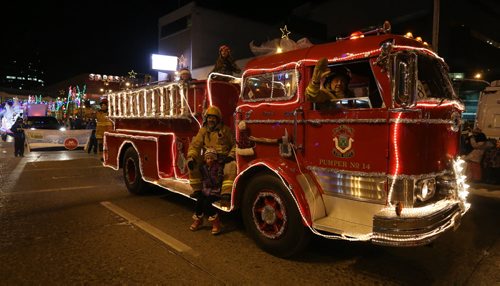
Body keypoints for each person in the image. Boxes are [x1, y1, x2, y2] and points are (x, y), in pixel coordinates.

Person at [187, 105, 236, 208]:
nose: (211, 120)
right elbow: (195, 145)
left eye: (213, 118)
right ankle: (198, 190)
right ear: (206, 119)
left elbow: (235, 144)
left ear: (218, 119)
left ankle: (226, 195)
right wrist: (192, 157)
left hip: (223, 158)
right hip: (208, 158)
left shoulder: (225, 130)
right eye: (209, 117)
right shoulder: (203, 131)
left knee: (231, 166)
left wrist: (230, 156)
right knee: (193, 163)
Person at [189, 147, 223, 234]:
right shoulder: (204, 167)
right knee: (199, 201)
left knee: (207, 203)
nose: (209, 160)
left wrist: (211, 181)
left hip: (215, 191)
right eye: (208, 158)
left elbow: (219, 180)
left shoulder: (218, 167)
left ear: (215, 159)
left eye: (211, 158)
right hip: (206, 190)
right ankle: (198, 219)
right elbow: (200, 174)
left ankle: (216, 222)